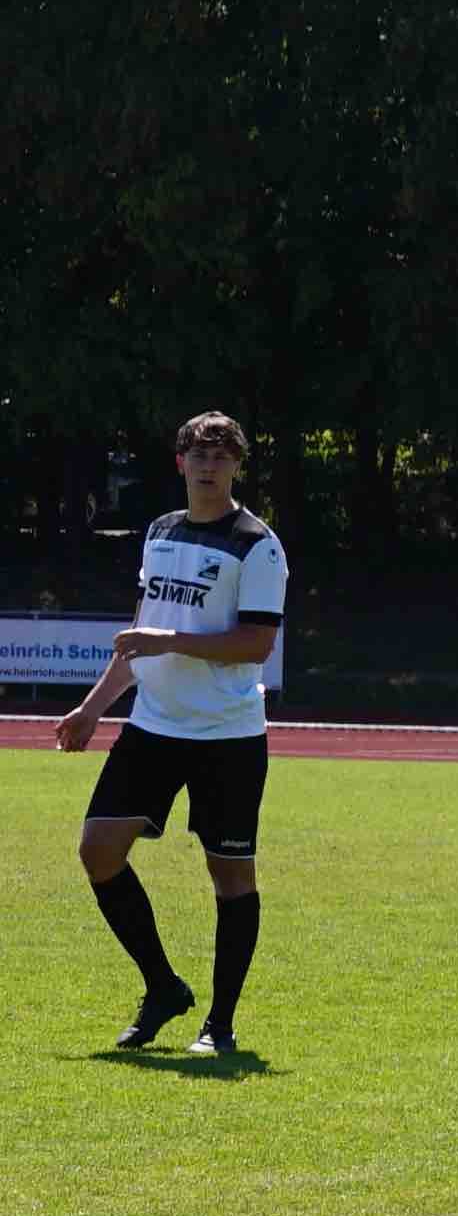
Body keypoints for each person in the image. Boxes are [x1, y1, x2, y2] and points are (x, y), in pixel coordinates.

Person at [56, 412, 284, 1059]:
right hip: (152, 725)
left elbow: (256, 644)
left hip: (227, 736)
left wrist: (171, 641)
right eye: (199, 455)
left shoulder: (257, 545)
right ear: (181, 462)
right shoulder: (160, 533)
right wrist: (92, 708)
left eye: (222, 456)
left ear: (237, 466)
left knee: (230, 875)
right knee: (99, 851)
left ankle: (220, 1024)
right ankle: (162, 988)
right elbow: (140, 636)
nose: (210, 466)